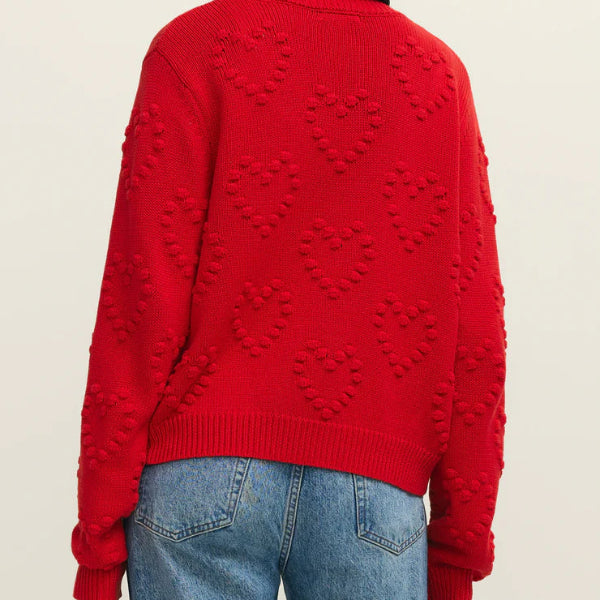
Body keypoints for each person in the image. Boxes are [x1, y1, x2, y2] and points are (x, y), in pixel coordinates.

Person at [70, 0, 507, 598]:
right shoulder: (440, 76)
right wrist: (458, 550)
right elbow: (476, 334)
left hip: (200, 470)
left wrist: (98, 544)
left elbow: (139, 301)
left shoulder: (193, 47)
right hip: (377, 488)